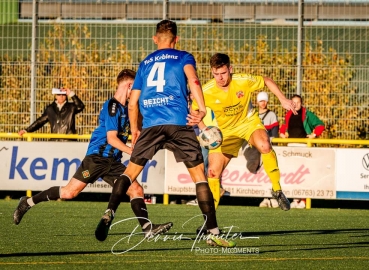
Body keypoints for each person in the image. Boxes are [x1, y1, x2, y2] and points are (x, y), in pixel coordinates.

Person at [96, 20, 236, 248]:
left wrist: (135, 129)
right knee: (200, 177)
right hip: (179, 123)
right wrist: (201, 110)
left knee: (130, 173)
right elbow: (193, 80)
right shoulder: (183, 57)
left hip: (151, 125)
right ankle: (213, 232)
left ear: (155, 39)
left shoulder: (144, 64)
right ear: (176, 39)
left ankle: (109, 212)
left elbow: (133, 103)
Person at [13, 69, 171, 241]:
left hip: (113, 161)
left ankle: (147, 229)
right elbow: (111, 139)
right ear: (129, 86)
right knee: (68, 193)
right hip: (97, 158)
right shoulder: (112, 106)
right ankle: (27, 202)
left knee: (136, 189)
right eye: (137, 90)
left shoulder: (128, 109)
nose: (137, 95)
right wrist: (134, 152)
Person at [192, 53, 297, 211]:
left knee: (264, 145)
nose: (220, 77)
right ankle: (210, 223)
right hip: (224, 133)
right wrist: (204, 129)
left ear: (230, 69)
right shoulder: (206, 90)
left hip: (248, 123)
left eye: (223, 73)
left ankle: (277, 190)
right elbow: (194, 112)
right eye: (216, 74)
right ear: (212, 72)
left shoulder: (242, 80)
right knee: (213, 172)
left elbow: (266, 80)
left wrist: (282, 99)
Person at [280, 94, 325, 208]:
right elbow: (284, 126)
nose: (295, 104)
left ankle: (304, 200)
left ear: (301, 103)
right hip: (291, 146)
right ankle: (296, 199)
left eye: (298, 102)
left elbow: (320, 125)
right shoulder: (288, 114)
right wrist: (282, 132)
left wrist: (314, 135)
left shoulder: (307, 114)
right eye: (293, 102)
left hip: (304, 146)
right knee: (294, 173)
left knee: (304, 173)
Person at [18, 88, 85, 141]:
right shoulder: (50, 109)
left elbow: (80, 106)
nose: (61, 96)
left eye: (63, 94)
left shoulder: (71, 107)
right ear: (55, 96)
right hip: (55, 142)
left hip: (69, 141)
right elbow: (40, 121)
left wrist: (71, 94)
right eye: (59, 94)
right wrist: (26, 130)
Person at [253, 91, 280, 208]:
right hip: (255, 148)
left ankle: (272, 197)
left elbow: (274, 133)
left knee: (269, 172)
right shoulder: (253, 114)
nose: (263, 103)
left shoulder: (271, 115)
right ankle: (265, 197)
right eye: (261, 100)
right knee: (260, 173)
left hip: (266, 148)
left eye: (264, 100)